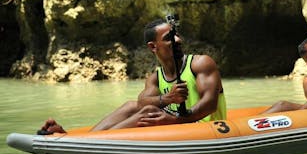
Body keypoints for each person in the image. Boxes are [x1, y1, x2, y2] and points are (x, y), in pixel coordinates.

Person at [41, 18, 227, 133]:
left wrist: (173, 119)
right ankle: (80, 138)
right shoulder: (155, 77)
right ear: (153, 47)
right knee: (132, 106)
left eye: (176, 35)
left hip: (206, 128)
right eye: (169, 38)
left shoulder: (201, 63)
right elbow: (141, 102)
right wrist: (167, 98)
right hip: (179, 123)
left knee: (149, 112)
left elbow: (210, 105)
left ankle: (90, 142)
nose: (178, 40)